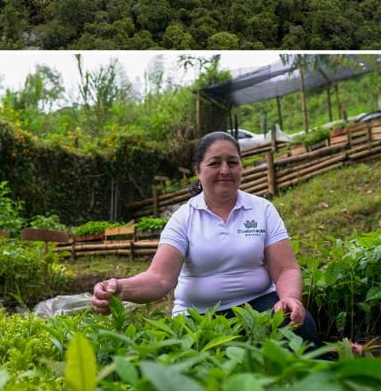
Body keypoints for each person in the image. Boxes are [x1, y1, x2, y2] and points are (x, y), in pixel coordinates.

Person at [91, 131, 319, 344]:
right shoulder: (183, 218)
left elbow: (286, 269)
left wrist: (289, 298)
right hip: (199, 315)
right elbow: (160, 279)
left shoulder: (262, 209)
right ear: (198, 171)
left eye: (232, 162)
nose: (225, 170)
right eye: (214, 163)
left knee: (302, 328)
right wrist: (120, 289)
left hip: (259, 306)